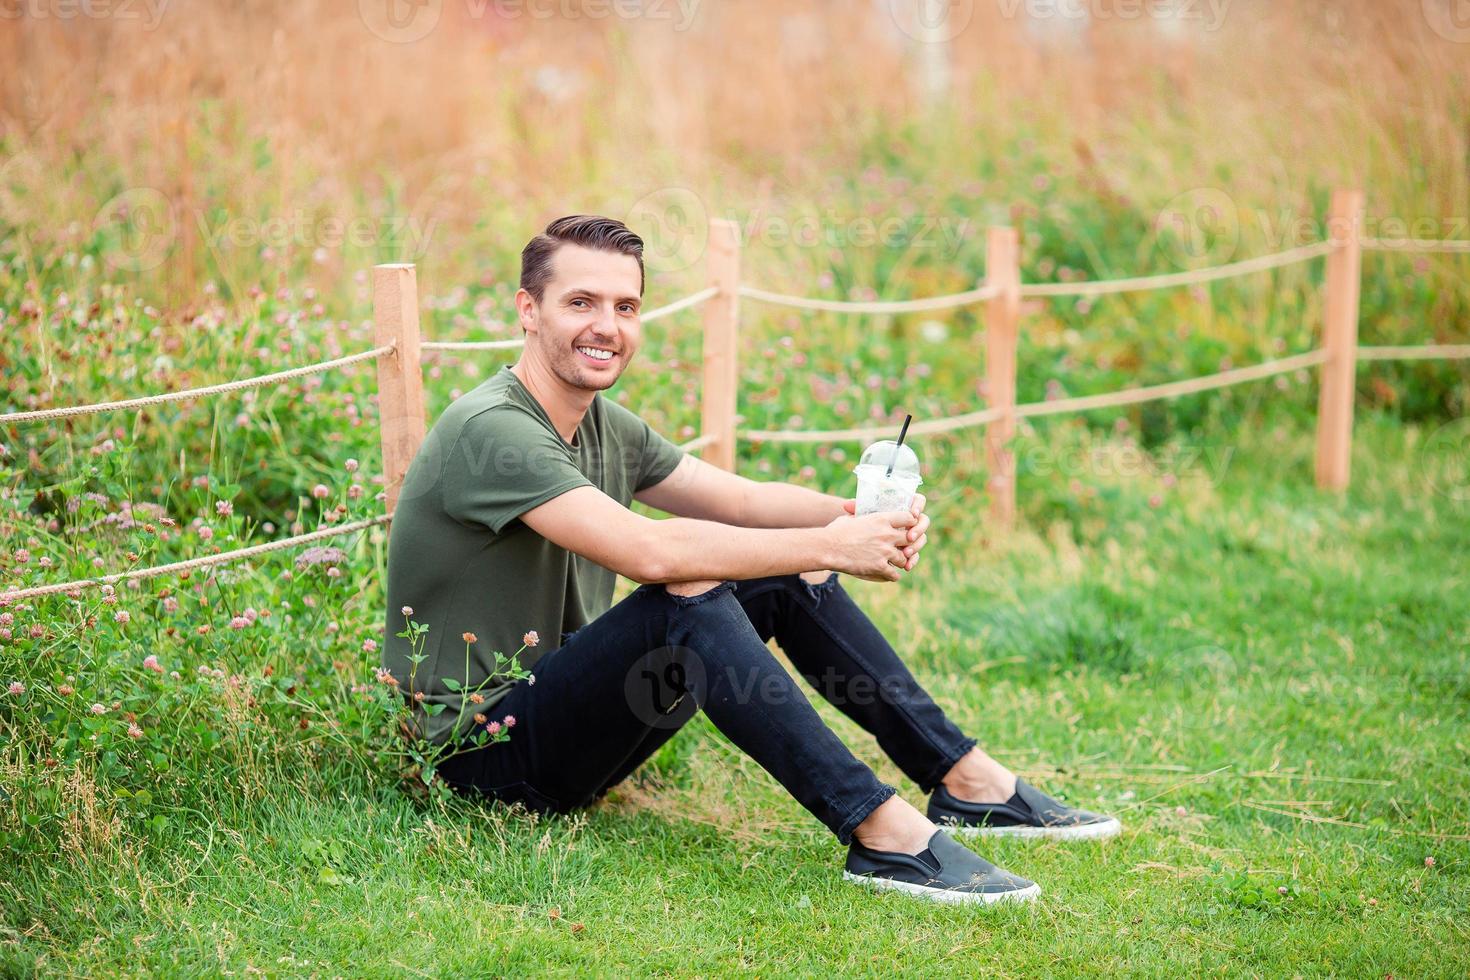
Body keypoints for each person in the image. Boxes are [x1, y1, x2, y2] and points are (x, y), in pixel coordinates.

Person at [381, 214, 1120, 905]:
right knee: (685, 593)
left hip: (561, 729)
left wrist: (856, 517)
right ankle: (882, 831)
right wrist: (834, 548)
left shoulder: (603, 424)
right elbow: (649, 550)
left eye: (626, 307)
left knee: (775, 571)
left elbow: (736, 500)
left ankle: (963, 779)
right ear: (527, 310)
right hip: (476, 758)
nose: (607, 326)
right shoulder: (493, 430)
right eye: (581, 302)